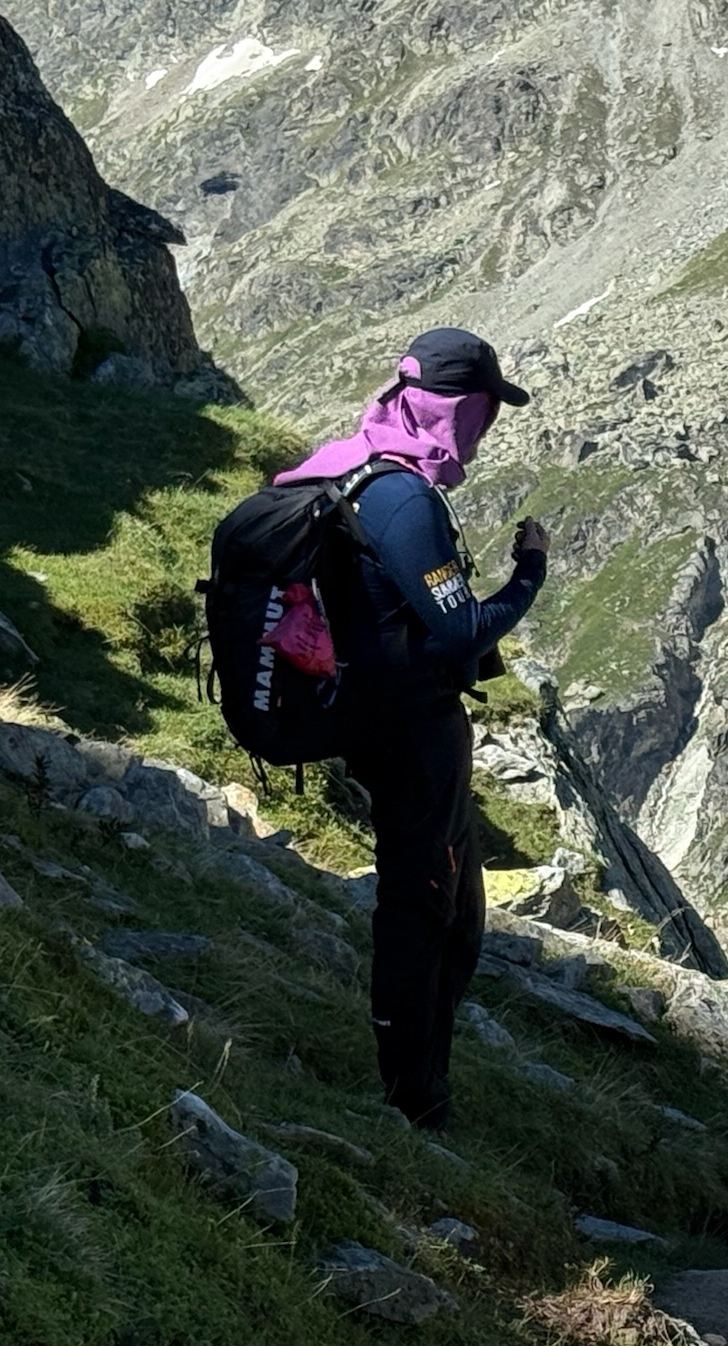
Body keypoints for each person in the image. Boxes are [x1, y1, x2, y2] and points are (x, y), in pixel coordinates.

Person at [273, 327, 550, 1130]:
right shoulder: (400, 496)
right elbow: (462, 630)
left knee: (445, 908)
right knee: (423, 908)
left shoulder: (346, 462)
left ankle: (424, 1079)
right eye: (484, 412)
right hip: (409, 727)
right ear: (458, 410)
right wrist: (527, 572)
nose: (486, 429)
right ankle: (414, 1094)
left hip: (377, 711)